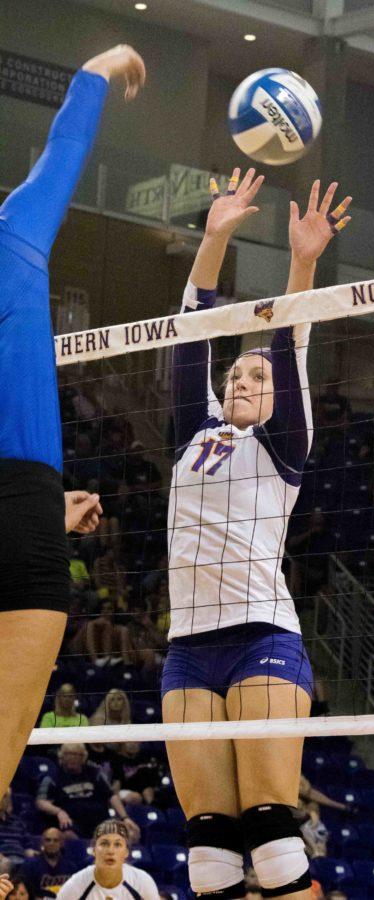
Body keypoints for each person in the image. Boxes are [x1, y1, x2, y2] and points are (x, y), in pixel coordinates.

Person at [161, 170, 351, 900]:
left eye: (257, 376)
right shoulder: (192, 432)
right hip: (188, 647)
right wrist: (214, 238)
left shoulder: (283, 446)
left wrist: (302, 264)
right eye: (235, 372)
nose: (244, 377)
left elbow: (288, 345)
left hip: (261, 637)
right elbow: (191, 330)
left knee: (272, 841)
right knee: (209, 855)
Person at [0, 43, 145, 798]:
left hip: (29, 504)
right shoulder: (16, 228)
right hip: (26, 512)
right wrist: (102, 66)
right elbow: (67, 144)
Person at [35, 744, 140, 843]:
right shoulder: (53, 776)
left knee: (131, 832)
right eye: (68, 754)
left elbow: (111, 795)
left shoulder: (94, 772)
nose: (72, 758)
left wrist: (125, 818)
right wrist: (59, 812)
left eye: (77, 754)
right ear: (62, 756)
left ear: (83, 757)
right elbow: (41, 802)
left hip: (100, 820)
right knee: (67, 836)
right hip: (72, 822)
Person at [56, 820, 158, 900]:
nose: (110, 851)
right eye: (104, 844)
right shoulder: (76, 884)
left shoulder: (142, 881)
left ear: (126, 852)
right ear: (94, 850)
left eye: (117, 844)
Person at [19, 829, 76, 900]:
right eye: (48, 840)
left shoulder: (71, 867)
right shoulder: (30, 865)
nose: (51, 843)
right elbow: (25, 893)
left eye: (56, 840)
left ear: (61, 843)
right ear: (42, 842)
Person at [0, 791, 28, 868]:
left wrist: (31, 852)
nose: (2, 799)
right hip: (3, 858)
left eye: (5, 796)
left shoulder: (17, 822)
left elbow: (27, 843)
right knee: (4, 864)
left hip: (21, 859)